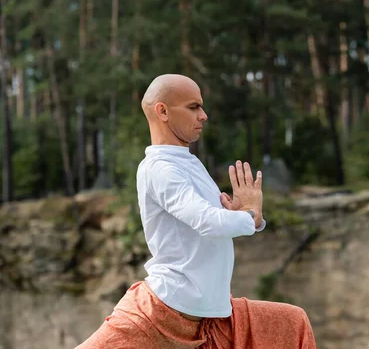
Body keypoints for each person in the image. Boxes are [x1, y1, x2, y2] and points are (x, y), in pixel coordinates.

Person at [77, 74, 316, 348]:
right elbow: (207, 221)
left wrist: (247, 215)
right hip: (164, 314)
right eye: (193, 107)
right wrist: (248, 217)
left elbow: (218, 223)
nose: (203, 115)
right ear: (162, 111)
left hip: (214, 314)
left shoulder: (187, 162)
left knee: (293, 323)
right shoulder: (160, 168)